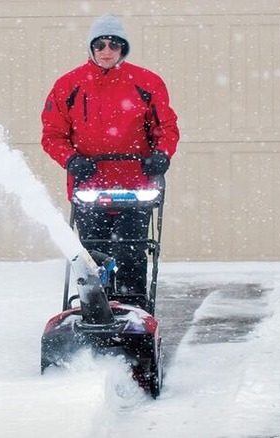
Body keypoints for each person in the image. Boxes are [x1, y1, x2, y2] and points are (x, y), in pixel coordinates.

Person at [41, 14, 179, 299]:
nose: (106, 51)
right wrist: (72, 160)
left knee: (132, 252)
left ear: (123, 48)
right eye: (100, 44)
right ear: (91, 48)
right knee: (93, 254)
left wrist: (161, 155)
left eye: (114, 44)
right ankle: (94, 308)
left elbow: (166, 127)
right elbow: (52, 134)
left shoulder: (147, 83)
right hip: (90, 186)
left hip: (135, 187)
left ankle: (133, 306)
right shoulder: (69, 85)